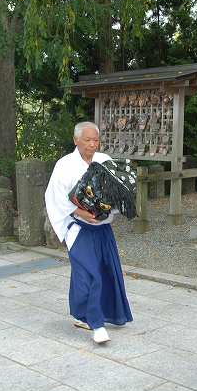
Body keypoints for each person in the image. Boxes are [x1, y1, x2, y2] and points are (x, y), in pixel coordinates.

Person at [45, 121, 133, 344]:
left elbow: (118, 191)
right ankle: (97, 324)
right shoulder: (64, 165)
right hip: (78, 228)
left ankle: (86, 314)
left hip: (102, 227)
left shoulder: (104, 161)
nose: (93, 144)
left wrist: (110, 208)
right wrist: (80, 212)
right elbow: (54, 197)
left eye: (96, 140)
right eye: (87, 140)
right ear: (76, 140)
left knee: (106, 272)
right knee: (89, 274)